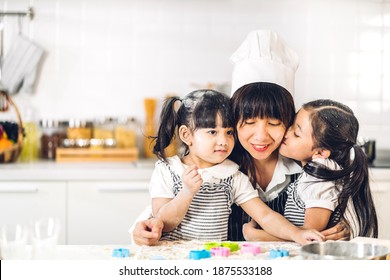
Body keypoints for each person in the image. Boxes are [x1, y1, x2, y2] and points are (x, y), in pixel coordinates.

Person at [130, 30, 349, 245]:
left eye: (274, 123)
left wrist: (341, 230)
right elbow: (157, 218)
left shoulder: (307, 164)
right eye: (249, 122)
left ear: (289, 121)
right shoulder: (216, 160)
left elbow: (328, 219)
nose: (261, 136)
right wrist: (143, 231)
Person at [148, 88, 324, 245]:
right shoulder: (167, 170)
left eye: (229, 132)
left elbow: (265, 216)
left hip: (216, 259)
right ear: (186, 135)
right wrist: (186, 192)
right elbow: (162, 223)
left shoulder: (232, 175)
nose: (223, 141)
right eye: (212, 132)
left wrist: (297, 234)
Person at [278, 99, 377, 236]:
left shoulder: (319, 173)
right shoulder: (321, 169)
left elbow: (310, 233)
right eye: (291, 125)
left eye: (296, 134)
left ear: (320, 152)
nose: (286, 133)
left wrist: (257, 234)